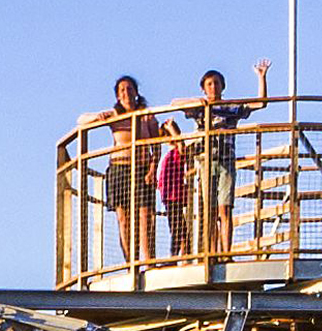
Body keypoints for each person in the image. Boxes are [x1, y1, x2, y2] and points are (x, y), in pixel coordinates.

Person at [77, 77, 167, 268]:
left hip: (142, 168)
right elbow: (81, 120)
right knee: (123, 217)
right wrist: (97, 116)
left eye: (129, 89)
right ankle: (130, 262)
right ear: (118, 95)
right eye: (122, 90)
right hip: (119, 168)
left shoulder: (146, 116)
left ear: (136, 92)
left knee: (145, 215)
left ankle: (148, 260)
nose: (126, 93)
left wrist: (153, 168)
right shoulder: (115, 115)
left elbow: (156, 144)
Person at [177, 67, 259, 258]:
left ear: (223, 86)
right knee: (211, 210)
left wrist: (261, 78)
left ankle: (226, 252)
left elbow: (260, 104)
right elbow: (175, 103)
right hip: (205, 160)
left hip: (225, 159)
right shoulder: (200, 108)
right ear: (204, 89)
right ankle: (212, 253)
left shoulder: (230, 108)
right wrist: (198, 102)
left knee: (225, 208)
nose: (213, 87)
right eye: (209, 84)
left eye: (216, 83)